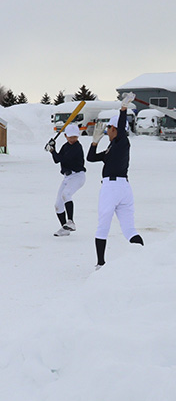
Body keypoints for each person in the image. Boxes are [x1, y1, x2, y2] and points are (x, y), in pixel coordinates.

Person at [86, 93, 144, 269]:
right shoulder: (113, 148)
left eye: (109, 128)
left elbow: (121, 126)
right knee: (129, 230)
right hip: (123, 188)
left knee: (103, 227)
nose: (107, 131)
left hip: (112, 188)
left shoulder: (121, 142)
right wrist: (94, 142)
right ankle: (143, 260)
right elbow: (91, 158)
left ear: (115, 129)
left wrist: (123, 108)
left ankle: (100, 264)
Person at [46, 123, 86, 237]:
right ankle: (65, 228)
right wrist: (52, 149)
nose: (73, 139)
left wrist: (52, 150)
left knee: (66, 194)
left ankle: (71, 221)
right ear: (65, 136)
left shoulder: (77, 147)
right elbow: (56, 160)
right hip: (67, 177)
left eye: (75, 136)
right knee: (58, 205)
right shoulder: (65, 146)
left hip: (78, 176)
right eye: (70, 136)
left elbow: (62, 158)